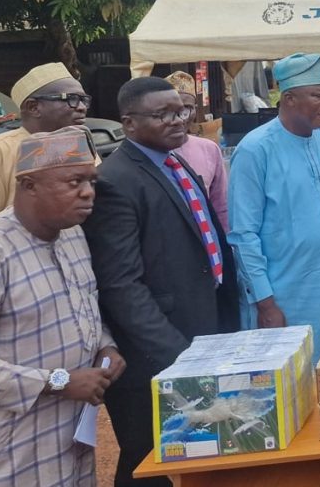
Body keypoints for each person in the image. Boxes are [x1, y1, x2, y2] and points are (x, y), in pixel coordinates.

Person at [82, 76, 239, 487]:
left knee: (201, 448)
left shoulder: (175, 160)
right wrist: (176, 354)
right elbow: (120, 285)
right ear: (129, 123)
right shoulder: (116, 181)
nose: (177, 121)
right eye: (162, 114)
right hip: (156, 353)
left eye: (181, 111)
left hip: (202, 329)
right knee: (149, 458)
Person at [0, 127, 125, 486]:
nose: (88, 192)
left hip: (71, 440)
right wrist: (59, 381)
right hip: (12, 449)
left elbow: (83, 305)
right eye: (74, 181)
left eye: (92, 181)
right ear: (28, 185)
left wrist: (105, 345)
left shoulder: (72, 235)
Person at [229, 53, 320, 359]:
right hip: (286, 294)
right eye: (318, 94)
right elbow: (243, 235)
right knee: (291, 384)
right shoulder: (255, 149)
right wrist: (265, 303)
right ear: (288, 99)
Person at [0, 63, 91, 214]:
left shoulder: (80, 144)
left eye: (84, 99)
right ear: (33, 107)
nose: (82, 107)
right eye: (71, 98)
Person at [166, 71, 230, 231]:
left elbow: (220, 205)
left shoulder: (209, 149)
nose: (181, 117)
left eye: (187, 108)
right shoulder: (148, 154)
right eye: (172, 109)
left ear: (195, 110)